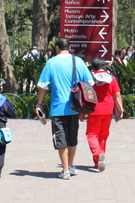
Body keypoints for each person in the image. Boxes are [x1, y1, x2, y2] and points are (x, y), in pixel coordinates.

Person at [35, 37, 94, 180]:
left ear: (57, 48)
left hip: (57, 107)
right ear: (69, 47)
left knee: (61, 138)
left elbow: (42, 85)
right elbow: (90, 82)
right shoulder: (78, 61)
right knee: (72, 138)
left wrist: (39, 103)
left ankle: (65, 169)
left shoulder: (51, 62)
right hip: (75, 107)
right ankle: (72, 166)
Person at [85, 58, 123, 172]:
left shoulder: (90, 79)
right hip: (108, 110)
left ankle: (98, 154)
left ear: (93, 68)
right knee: (103, 135)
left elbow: (86, 95)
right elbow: (117, 95)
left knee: (91, 134)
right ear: (105, 67)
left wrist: (82, 112)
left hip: (94, 110)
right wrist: (121, 110)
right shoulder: (111, 79)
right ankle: (98, 161)